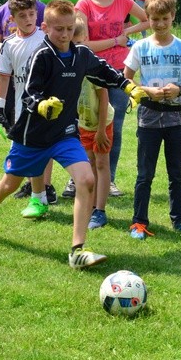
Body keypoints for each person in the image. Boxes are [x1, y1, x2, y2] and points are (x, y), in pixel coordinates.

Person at [0, 0, 149, 269]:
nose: (65, 35)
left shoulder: (81, 54)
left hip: (65, 133)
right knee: (8, 185)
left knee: (86, 179)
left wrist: (128, 86)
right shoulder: (41, 56)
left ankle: (77, 249)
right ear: (46, 28)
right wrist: (41, 105)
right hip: (32, 136)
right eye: (59, 30)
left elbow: (105, 72)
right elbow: (30, 92)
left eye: (69, 29)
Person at [124, 0, 181, 239]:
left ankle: (180, 220)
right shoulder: (140, 46)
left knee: (177, 173)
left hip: (176, 119)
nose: (159, 24)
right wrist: (145, 90)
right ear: (147, 17)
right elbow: (125, 78)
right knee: (145, 173)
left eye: (164, 19)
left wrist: (179, 88)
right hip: (148, 117)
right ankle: (138, 222)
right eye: (154, 19)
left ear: (173, 17)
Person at [75, 0, 149, 199]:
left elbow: (147, 19)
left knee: (113, 128)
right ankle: (78, 177)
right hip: (88, 74)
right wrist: (116, 39)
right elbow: (84, 44)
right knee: (82, 126)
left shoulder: (123, 0)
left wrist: (127, 30)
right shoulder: (84, 5)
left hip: (118, 72)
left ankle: (111, 179)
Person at [0, 0, 55, 203]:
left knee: (42, 136)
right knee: (18, 131)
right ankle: (31, 185)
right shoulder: (0, 14)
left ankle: (43, 186)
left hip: (40, 89)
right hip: (14, 83)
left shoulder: (41, 9)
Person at [72, 13, 114, 229]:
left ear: (86, 38)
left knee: (101, 163)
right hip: (83, 123)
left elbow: (104, 96)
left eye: (80, 42)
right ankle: (89, 206)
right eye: (73, 43)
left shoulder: (94, 66)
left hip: (101, 123)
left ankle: (100, 210)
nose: (76, 47)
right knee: (88, 164)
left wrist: (100, 131)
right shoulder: (68, 65)